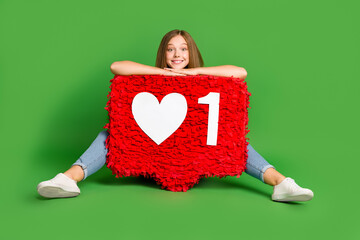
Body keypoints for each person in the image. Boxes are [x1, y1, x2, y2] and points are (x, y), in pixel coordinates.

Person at [37, 29, 314, 202]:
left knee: (232, 139)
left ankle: (280, 183)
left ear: (191, 52)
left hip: (195, 157)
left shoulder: (201, 77)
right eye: (170, 49)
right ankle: (68, 179)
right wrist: (163, 74)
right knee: (110, 133)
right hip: (152, 156)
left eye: (183, 49)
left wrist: (192, 74)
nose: (177, 54)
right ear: (163, 53)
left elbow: (240, 71)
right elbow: (116, 66)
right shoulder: (155, 75)